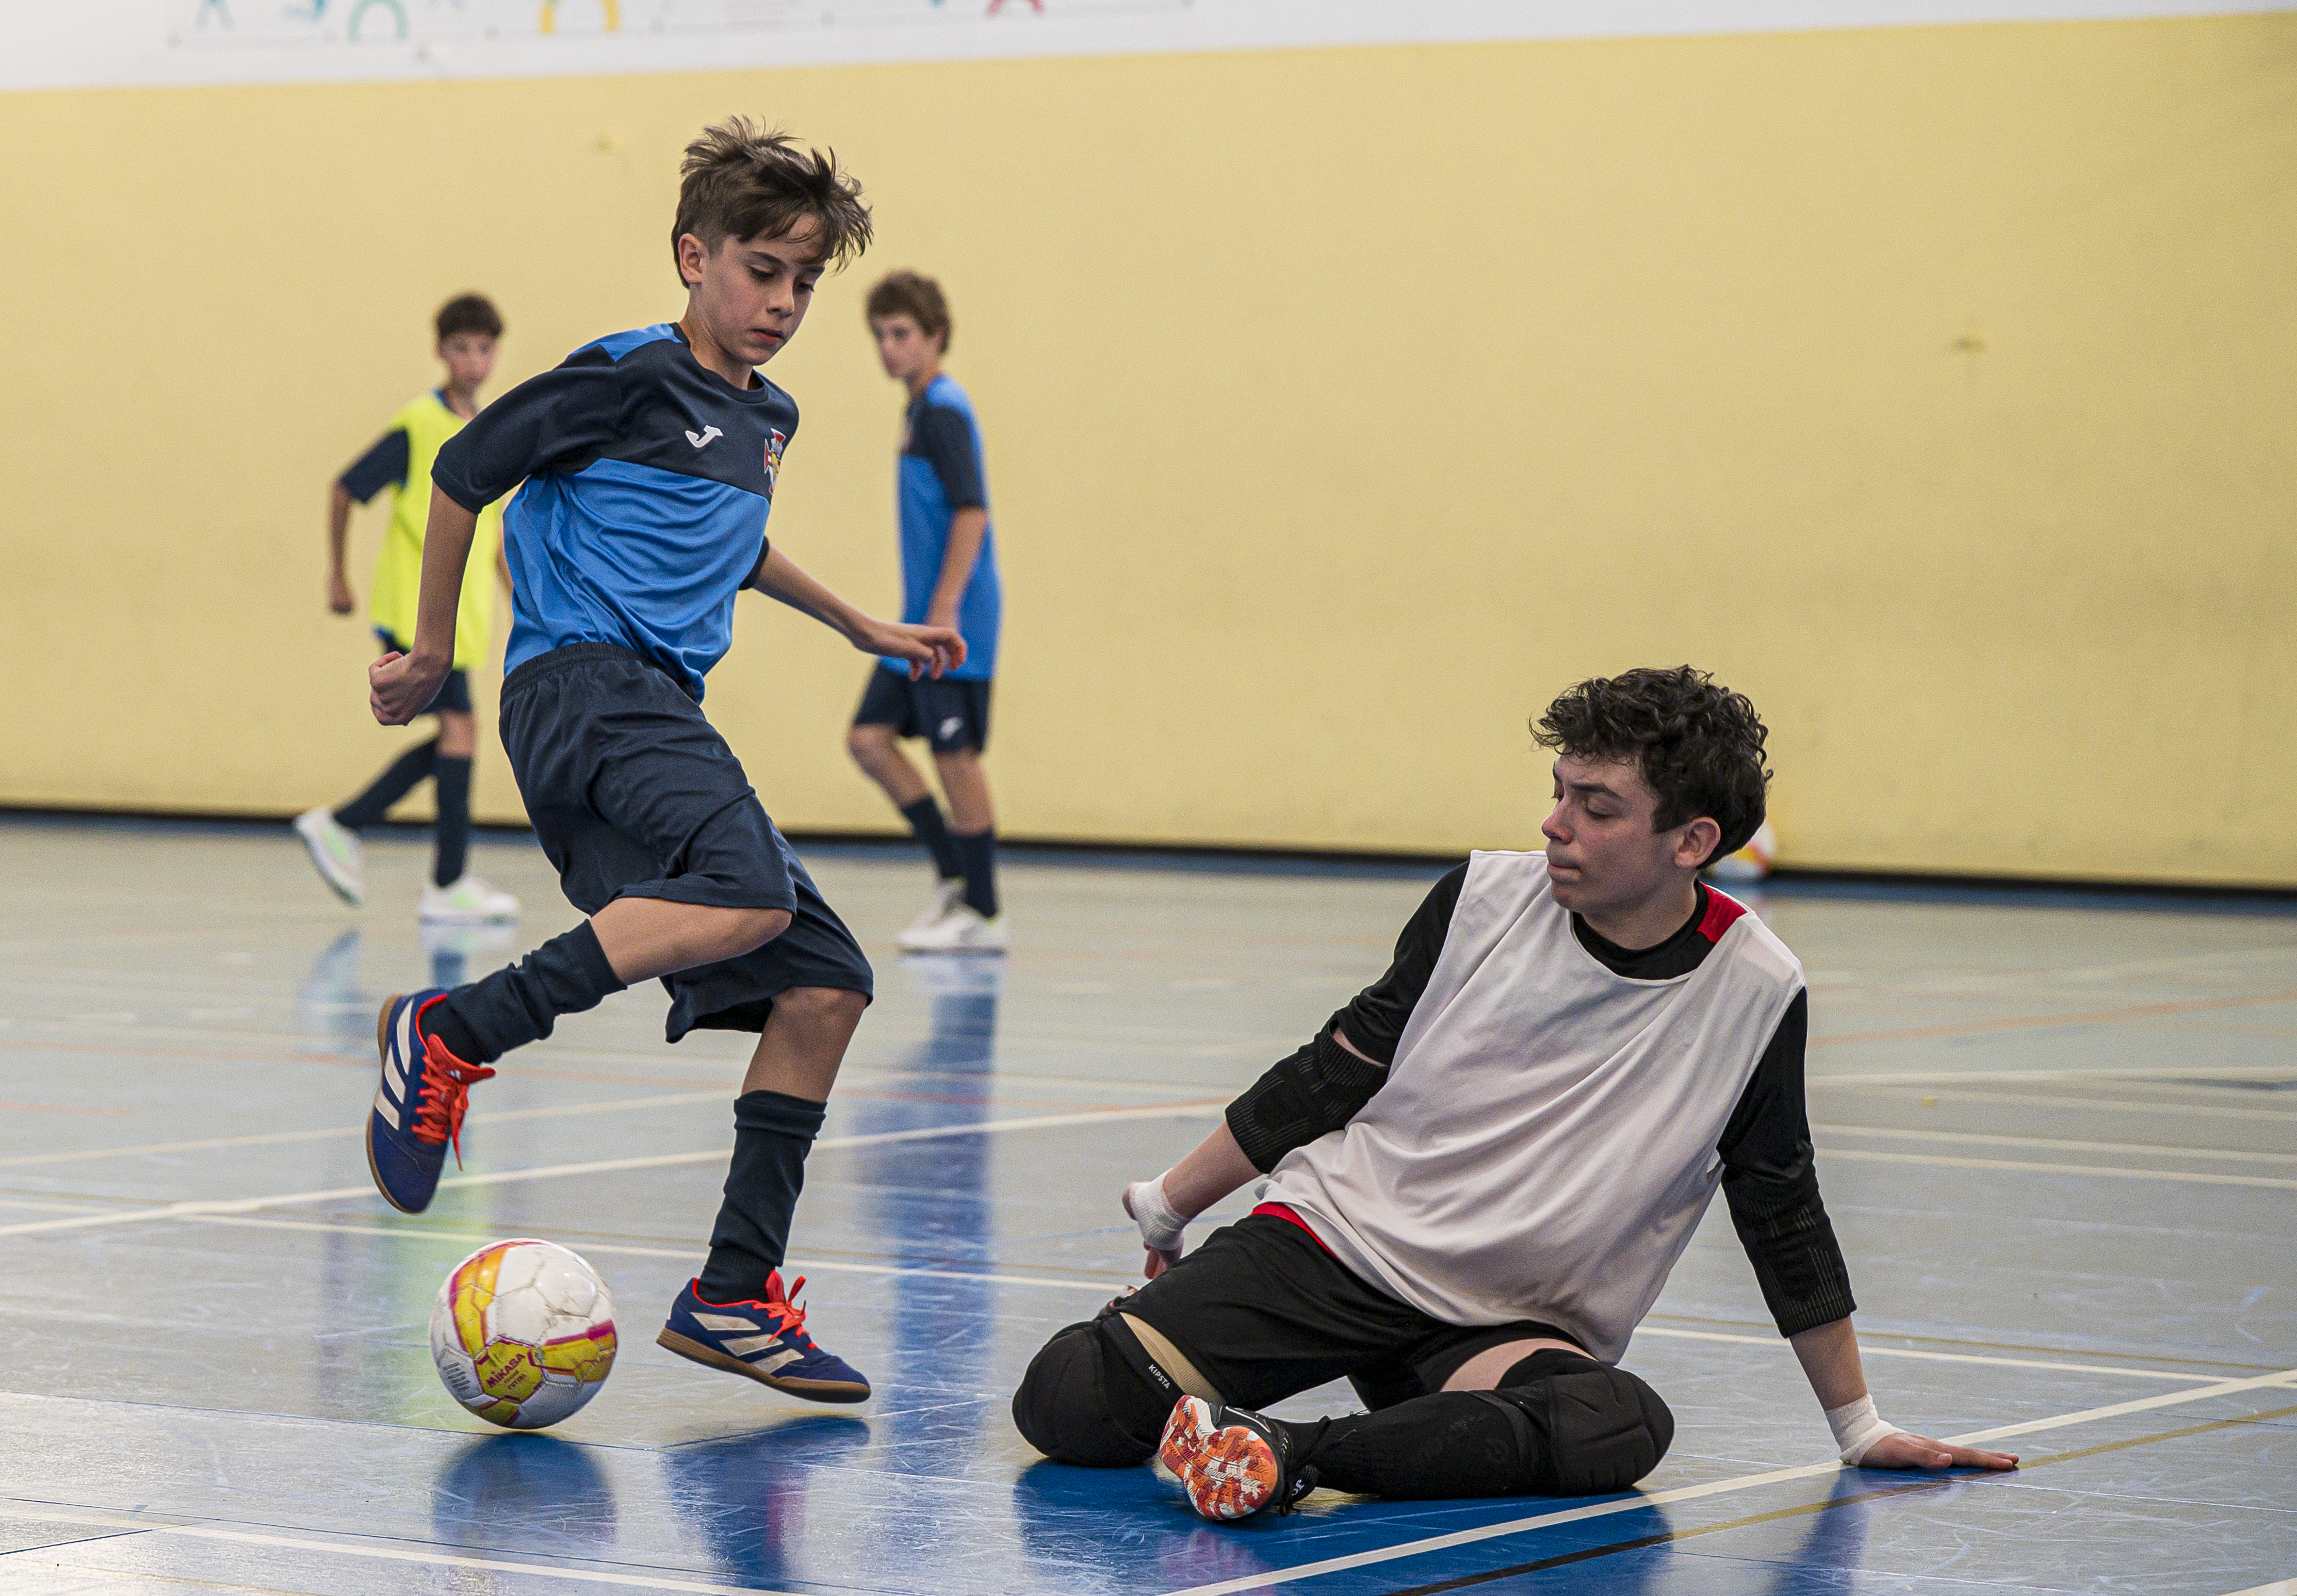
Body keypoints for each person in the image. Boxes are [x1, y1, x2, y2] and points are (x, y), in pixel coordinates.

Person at [1012, 667, 2019, 1519]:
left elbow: (1780, 1206)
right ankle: (1299, 1423)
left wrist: (1859, 1425)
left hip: (1499, 1320)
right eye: (1558, 789)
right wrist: (1170, 1201)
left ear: (1692, 840)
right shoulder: (1481, 901)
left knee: (1617, 1421)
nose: (1556, 823)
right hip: (1337, 1244)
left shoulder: (1757, 990)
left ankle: (1287, 1452)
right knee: (1069, 1400)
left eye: (1598, 805)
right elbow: (1330, 1071)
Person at [361, 119, 964, 1404]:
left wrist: (860, 620)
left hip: (653, 711)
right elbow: (468, 473)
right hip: (583, 688)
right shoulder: (623, 376)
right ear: (694, 256)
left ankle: (736, 1295)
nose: (784, 303)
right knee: (750, 881)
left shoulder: (768, 417)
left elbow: (729, 539)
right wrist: (426, 655)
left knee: (826, 984)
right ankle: (455, 1031)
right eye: (761, 270)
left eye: (805, 281)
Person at [294, 293, 522, 925]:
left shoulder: (487, 429)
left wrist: (521, 601)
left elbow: (494, 533)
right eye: (461, 347)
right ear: (440, 350)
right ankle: (438, 881)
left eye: (484, 348)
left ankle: (348, 828)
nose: (474, 360)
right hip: (414, 606)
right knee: (461, 731)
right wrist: (337, 574)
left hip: (462, 616)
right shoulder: (419, 425)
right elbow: (346, 487)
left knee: (456, 735)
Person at [846, 271, 1006, 952]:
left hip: (951, 617)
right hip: (916, 618)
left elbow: (972, 510)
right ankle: (951, 875)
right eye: (879, 335)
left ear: (934, 337)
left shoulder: (943, 408)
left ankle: (984, 910)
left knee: (955, 757)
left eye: (901, 334)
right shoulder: (918, 409)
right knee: (869, 739)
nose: (888, 348)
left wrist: (944, 607)